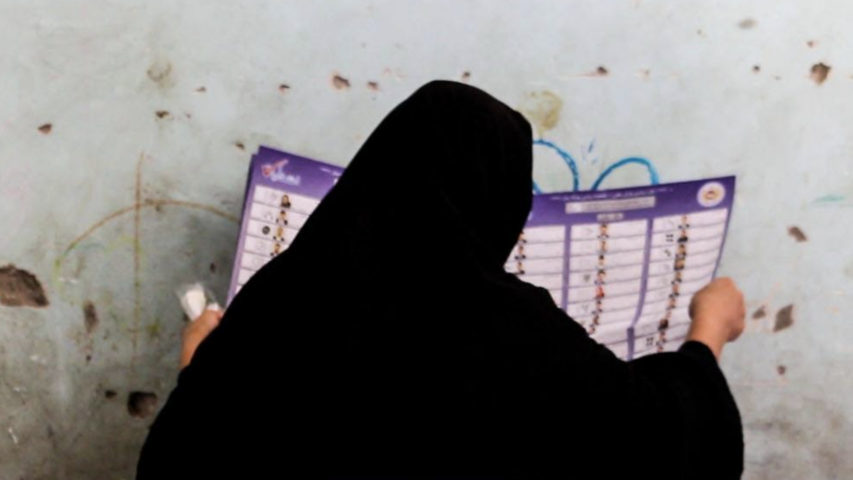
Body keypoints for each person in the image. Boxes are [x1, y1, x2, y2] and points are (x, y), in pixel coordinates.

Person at [137, 81, 744, 479]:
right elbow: (666, 444)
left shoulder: (280, 302)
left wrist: (198, 372)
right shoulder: (512, 335)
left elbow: (179, 460)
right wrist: (708, 332)